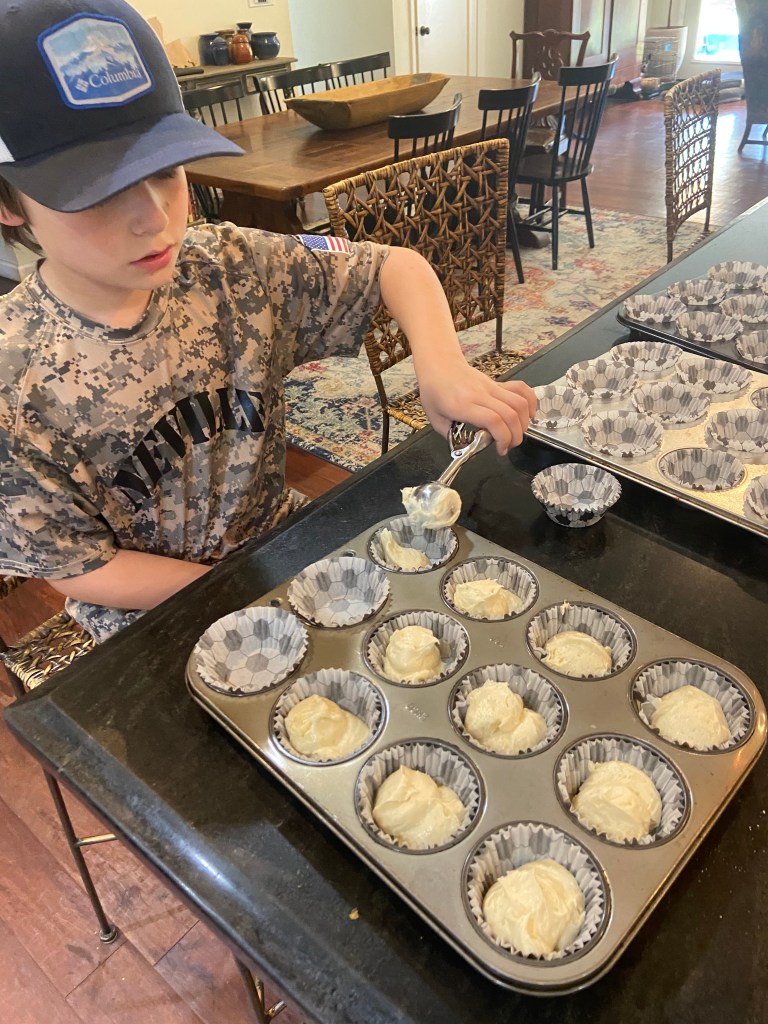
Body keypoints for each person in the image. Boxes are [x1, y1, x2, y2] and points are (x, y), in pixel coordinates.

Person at [0, 0, 536, 643]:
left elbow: (396, 266)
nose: (155, 218)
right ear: (9, 202)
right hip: (157, 622)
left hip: (286, 547)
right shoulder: (13, 381)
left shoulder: (230, 266)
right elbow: (80, 566)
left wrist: (442, 367)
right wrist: (243, 585)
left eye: (165, 171)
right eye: (98, 192)